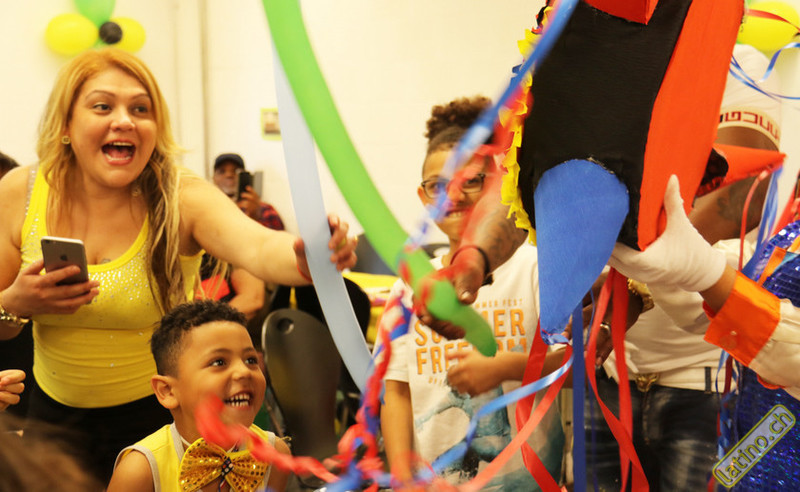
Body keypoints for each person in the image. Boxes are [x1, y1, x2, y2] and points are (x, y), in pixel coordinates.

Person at [0, 47, 356, 483]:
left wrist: (309, 256)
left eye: (140, 109)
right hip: (52, 421)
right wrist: (15, 304)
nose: (125, 120)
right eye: (102, 106)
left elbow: (259, 247)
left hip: (160, 418)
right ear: (66, 125)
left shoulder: (178, 194)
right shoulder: (21, 192)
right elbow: (3, 326)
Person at [586, 43, 783, 492]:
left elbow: (741, 189)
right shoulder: (609, 64)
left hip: (705, 383)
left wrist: (635, 284)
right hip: (614, 375)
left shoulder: (737, 62)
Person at [376, 96, 566, 490]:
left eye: (471, 181)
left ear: (495, 185)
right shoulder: (407, 288)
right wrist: (401, 479)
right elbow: (396, 391)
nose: (454, 196)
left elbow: (575, 360)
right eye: (438, 186)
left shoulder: (534, 267)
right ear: (424, 197)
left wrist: (504, 368)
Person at [107, 300, 290, 492]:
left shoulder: (274, 454)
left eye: (250, 360)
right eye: (219, 362)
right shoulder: (139, 470)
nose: (243, 372)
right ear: (167, 391)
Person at [212, 153, 285, 231]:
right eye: (221, 171)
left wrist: (256, 217)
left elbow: (278, 237)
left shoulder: (264, 209)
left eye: (236, 171)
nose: (229, 175)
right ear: (214, 178)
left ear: (244, 176)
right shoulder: (208, 210)